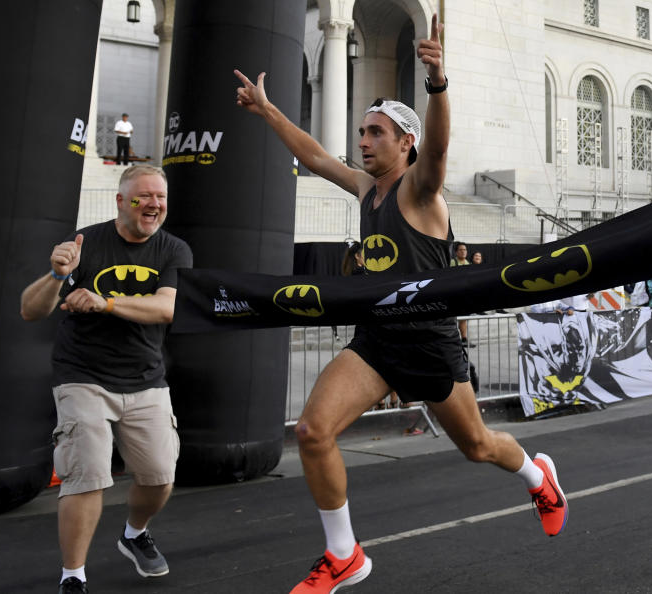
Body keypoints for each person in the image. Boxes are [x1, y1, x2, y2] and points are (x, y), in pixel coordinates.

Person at [234, 14, 567, 594]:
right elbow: (315, 157)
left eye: (376, 132)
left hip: (431, 343)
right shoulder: (367, 189)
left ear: (404, 142)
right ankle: (343, 555)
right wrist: (268, 112)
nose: (362, 141)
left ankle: (540, 477)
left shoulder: (419, 188)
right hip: (378, 341)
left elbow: (438, 150)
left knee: (479, 446)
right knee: (313, 431)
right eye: (362, 132)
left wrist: (437, 83)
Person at [19, 165, 193, 594]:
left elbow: (166, 309)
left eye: (160, 198)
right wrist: (57, 276)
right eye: (142, 197)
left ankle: (134, 533)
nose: (153, 204)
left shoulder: (174, 250)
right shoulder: (86, 243)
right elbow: (31, 310)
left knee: (159, 477)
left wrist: (104, 303)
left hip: (146, 378)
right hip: (84, 377)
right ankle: (73, 576)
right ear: (121, 201)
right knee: (88, 475)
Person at [450, 242, 473, 346]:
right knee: (453, 318)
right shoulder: (453, 262)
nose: (463, 252)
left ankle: (464, 339)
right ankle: (453, 339)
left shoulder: (469, 264)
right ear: (456, 252)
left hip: (465, 295)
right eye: (461, 250)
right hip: (454, 294)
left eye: (465, 250)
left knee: (463, 318)